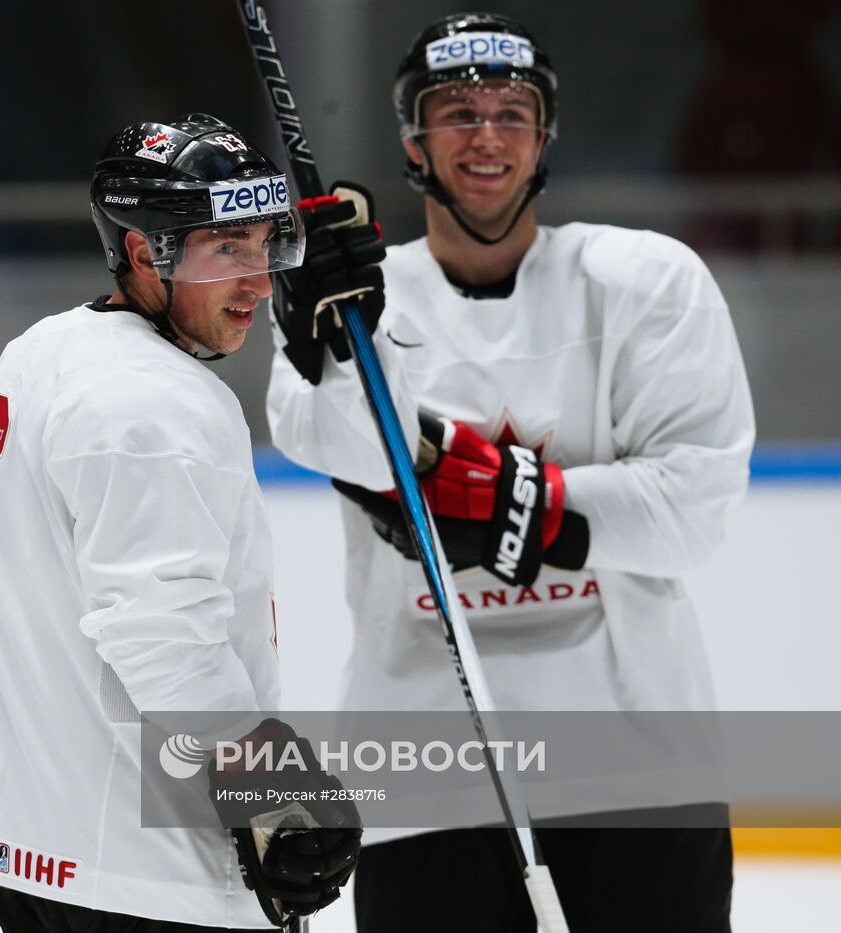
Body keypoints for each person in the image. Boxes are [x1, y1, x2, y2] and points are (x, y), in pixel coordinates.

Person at [268, 12, 754, 933]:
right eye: (455, 111)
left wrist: (471, 489)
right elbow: (322, 439)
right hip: (426, 776)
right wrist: (329, 341)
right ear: (413, 139)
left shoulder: (650, 280)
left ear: (544, 137)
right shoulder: (365, 297)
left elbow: (692, 509)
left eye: (511, 111)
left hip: (641, 766)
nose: (485, 135)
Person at [0, 114, 362, 931]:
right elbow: (162, 630)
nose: (260, 281)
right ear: (144, 249)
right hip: (138, 865)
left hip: (36, 844)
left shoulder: (41, 352)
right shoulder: (154, 400)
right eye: (227, 249)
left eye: (267, 243)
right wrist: (273, 789)